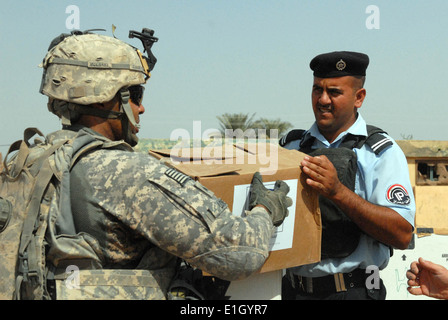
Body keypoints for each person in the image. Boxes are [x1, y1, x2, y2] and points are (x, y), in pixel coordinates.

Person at [24, 29, 292, 299]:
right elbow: (240, 253)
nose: (141, 109)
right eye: (136, 95)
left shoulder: (27, 163)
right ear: (107, 97)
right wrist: (265, 209)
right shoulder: (125, 172)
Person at [280, 51, 415, 300]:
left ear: (359, 97)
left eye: (334, 92)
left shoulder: (380, 152)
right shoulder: (291, 148)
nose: (323, 100)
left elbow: (402, 234)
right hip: (292, 291)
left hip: (352, 291)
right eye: (316, 90)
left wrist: (338, 192)